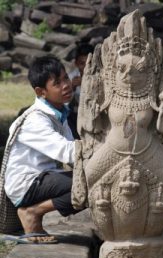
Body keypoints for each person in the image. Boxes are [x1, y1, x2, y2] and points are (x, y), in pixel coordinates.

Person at [4, 55, 79, 243]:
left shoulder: (59, 112)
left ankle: (34, 212)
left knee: (94, 181)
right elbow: (68, 152)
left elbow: (72, 158)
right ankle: (32, 213)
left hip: (43, 177)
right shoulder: (35, 120)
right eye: (57, 83)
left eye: (66, 78)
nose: (66, 85)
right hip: (27, 183)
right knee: (88, 186)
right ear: (41, 92)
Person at [67, 43, 94, 139]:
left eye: (89, 63)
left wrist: (85, 84)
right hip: (77, 115)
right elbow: (63, 103)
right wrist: (72, 88)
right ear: (76, 64)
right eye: (82, 63)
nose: (86, 67)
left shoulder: (102, 76)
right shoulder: (71, 77)